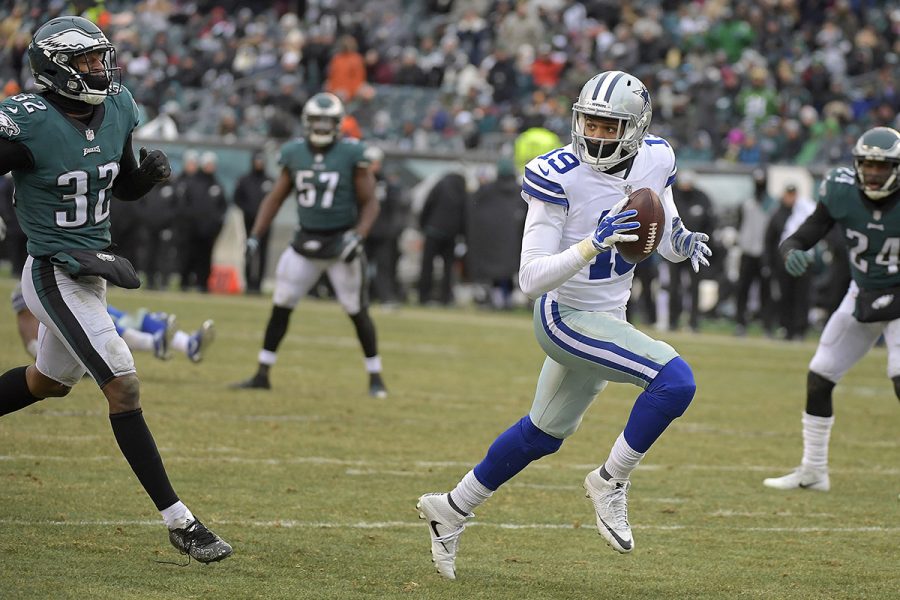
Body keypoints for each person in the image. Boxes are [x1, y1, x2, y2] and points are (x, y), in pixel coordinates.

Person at [416, 70, 712, 580]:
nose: (594, 135)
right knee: (675, 380)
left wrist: (680, 243)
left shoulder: (658, 157)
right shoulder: (558, 174)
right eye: (588, 123)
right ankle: (610, 480)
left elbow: (661, 228)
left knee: (542, 434)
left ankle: (451, 507)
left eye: (608, 126)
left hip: (608, 315)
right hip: (565, 316)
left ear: (636, 129)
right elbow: (530, 278)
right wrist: (590, 244)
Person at [0, 17, 231, 562]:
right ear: (55, 68)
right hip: (52, 270)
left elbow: (120, 185)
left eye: (100, 58)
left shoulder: (120, 106)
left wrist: (145, 177)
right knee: (122, 385)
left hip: (92, 269)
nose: (98, 69)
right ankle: (181, 522)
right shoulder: (26, 120)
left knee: (48, 383)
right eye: (85, 62)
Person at [763, 126, 900, 492]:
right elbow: (807, 231)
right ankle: (814, 470)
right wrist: (791, 251)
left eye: (881, 166)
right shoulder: (841, 190)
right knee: (820, 375)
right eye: (867, 165)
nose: (872, 173)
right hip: (865, 289)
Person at [232, 92, 388, 398]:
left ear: (339, 123)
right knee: (281, 305)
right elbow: (275, 198)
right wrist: (255, 234)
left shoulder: (351, 153)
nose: (321, 125)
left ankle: (376, 376)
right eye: (316, 120)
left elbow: (371, 202)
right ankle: (262, 372)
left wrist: (358, 235)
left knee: (357, 311)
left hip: (340, 242)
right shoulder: (294, 153)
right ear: (306, 122)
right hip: (304, 241)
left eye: (327, 121)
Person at [10, 283, 216, 363]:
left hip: (80, 304)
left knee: (140, 317)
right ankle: (155, 343)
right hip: (66, 339)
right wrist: (43, 357)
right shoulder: (32, 277)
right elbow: (26, 322)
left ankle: (188, 344)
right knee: (106, 323)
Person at [763, 184, 815, 340]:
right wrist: (769, 262)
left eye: (793, 195)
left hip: (804, 261)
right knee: (785, 295)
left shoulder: (805, 211)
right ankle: (786, 327)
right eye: (788, 195)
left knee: (802, 296)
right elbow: (769, 240)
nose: (790, 198)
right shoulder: (777, 214)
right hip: (783, 261)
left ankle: (800, 329)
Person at [666, 171, 715, 331]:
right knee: (674, 286)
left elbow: (710, 223)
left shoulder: (702, 198)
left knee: (694, 287)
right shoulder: (672, 196)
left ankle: (694, 322)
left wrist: (706, 244)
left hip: (694, 250)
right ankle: (672, 320)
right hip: (674, 249)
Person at [175, 150, 227, 293]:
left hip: (209, 231)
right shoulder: (192, 183)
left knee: (206, 258)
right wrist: (190, 222)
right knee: (188, 256)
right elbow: (185, 205)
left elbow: (222, 208)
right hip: (192, 229)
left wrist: (215, 225)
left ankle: (203, 284)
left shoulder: (217, 185)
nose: (210, 167)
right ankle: (185, 282)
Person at [734, 167, 775, 336]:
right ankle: (740, 323)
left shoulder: (772, 204)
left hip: (764, 253)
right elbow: (740, 225)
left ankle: (767, 325)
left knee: (766, 291)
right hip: (747, 251)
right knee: (743, 289)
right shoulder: (747, 204)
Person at [417, 171, 468, 306]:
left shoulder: (440, 185)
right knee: (448, 268)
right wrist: (462, 234)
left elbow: (427, 204)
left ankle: (423, 296)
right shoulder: (462, 191)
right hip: (451, 234)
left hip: (433, 230)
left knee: (427, 265)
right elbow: (465, 215)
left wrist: (423, 224)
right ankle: (445, 297)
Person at [234, 151, 273, 294]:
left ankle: (258, 284)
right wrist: (248, 210)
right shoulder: (245, 180)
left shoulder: (269, 181)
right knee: (250, 251)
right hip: (249, 222)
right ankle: (249, 283)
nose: (259, 164)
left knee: (263, 253)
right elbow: (237, 198)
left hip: (266, 223)